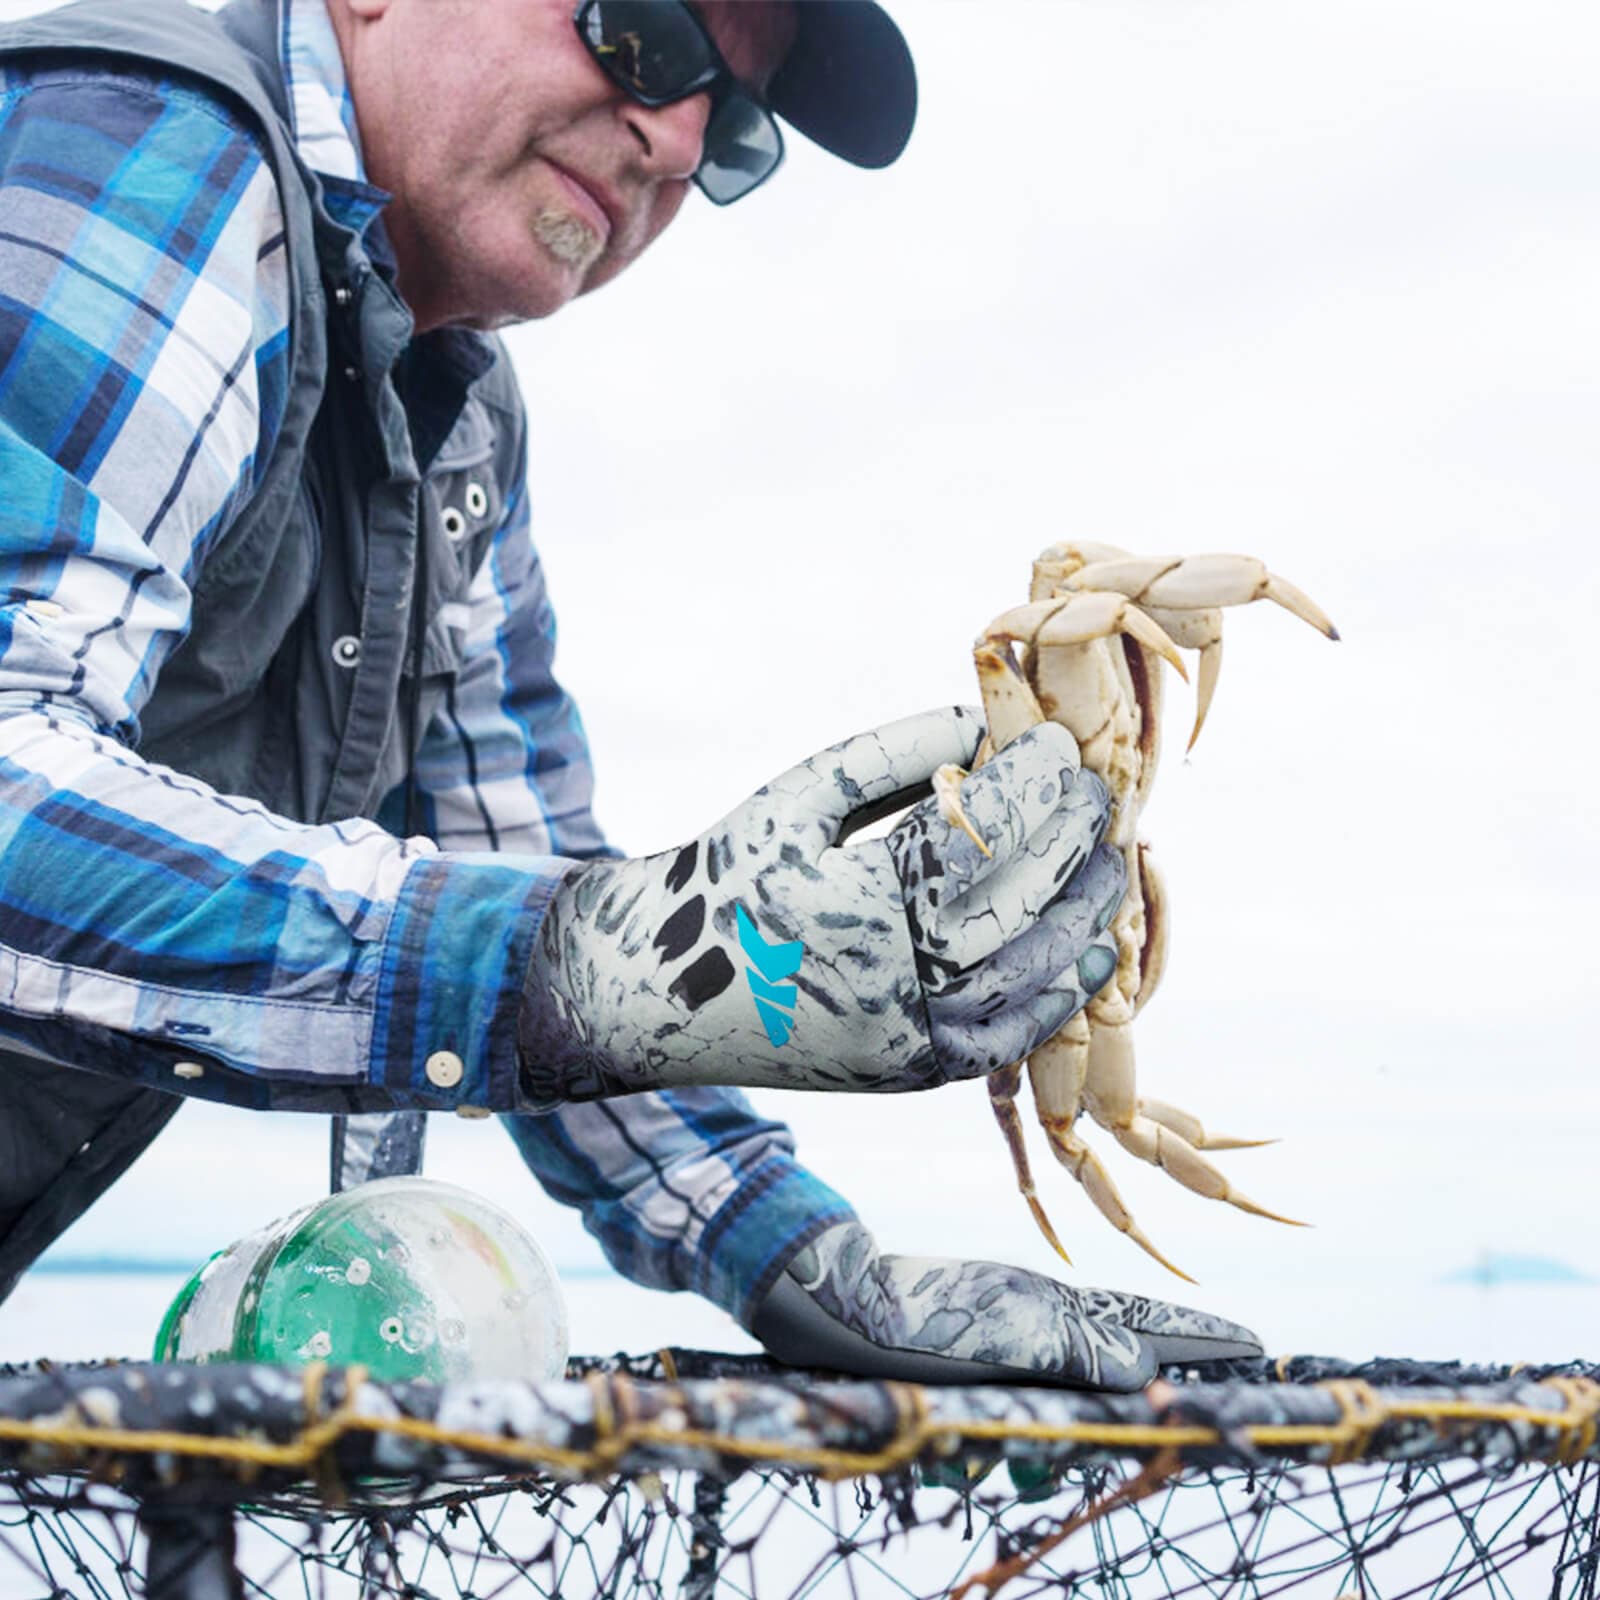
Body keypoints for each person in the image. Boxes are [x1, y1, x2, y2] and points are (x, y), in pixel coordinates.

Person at [0, 0, 1261, 1390]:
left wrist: (804, 1258)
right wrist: (560, 964)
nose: (673, 139)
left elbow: (541, 879)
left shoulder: (455, 420)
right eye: (644, 29)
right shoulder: (137, 148)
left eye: (736, 122)